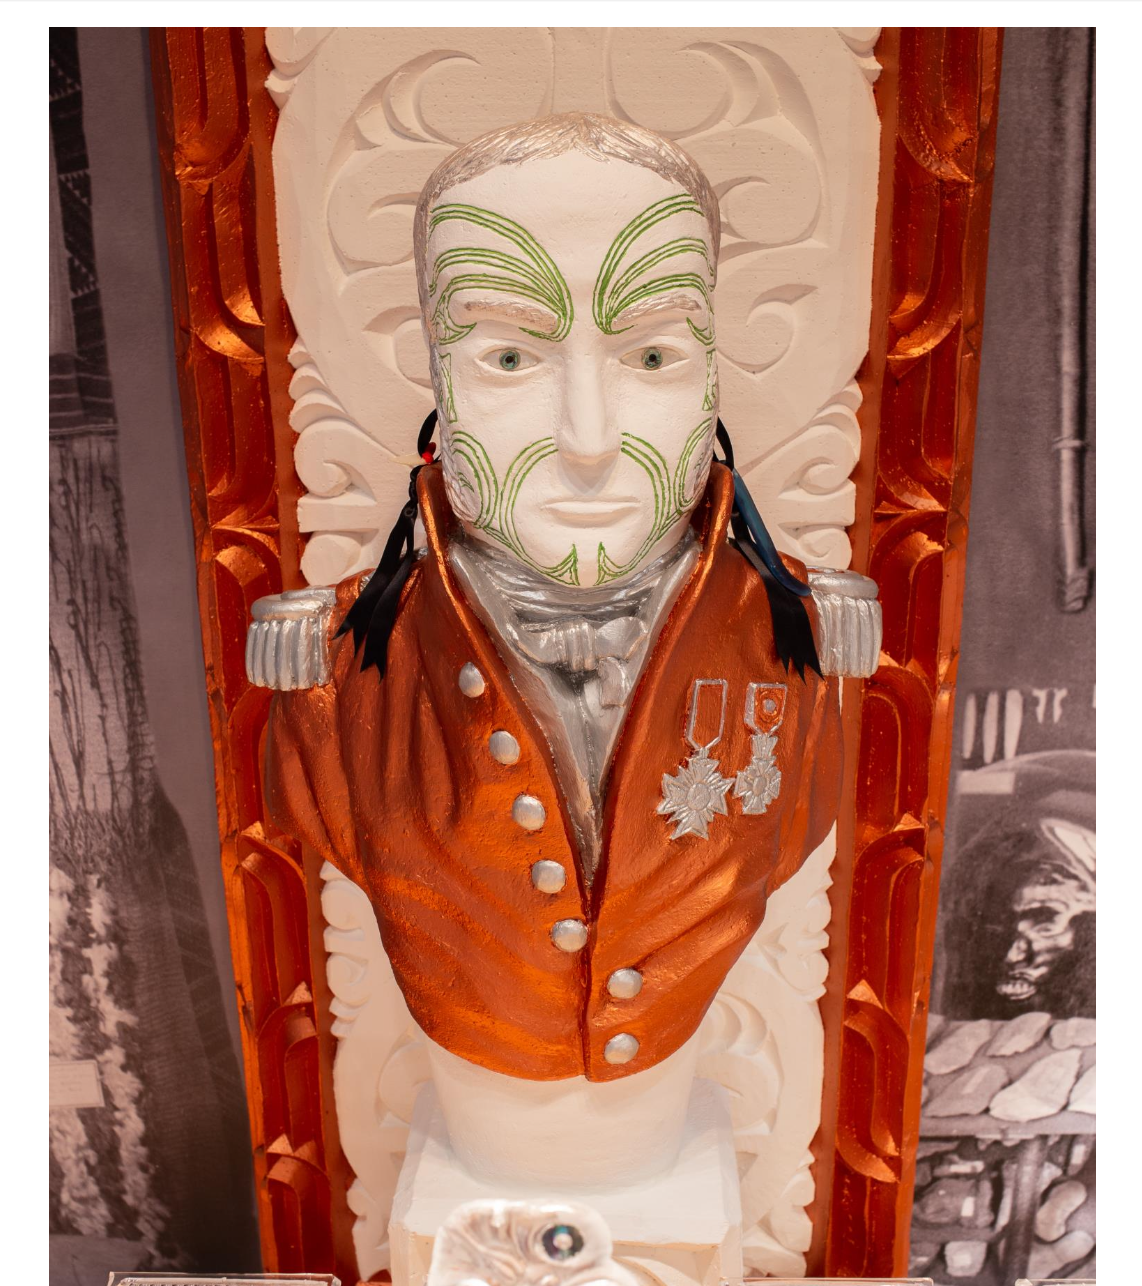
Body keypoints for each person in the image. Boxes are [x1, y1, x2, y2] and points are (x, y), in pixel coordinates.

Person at [246, 113, 878, 1087]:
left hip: (677, 1106)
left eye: (653, 355)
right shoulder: (331, 681)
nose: (588, 440)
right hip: (467, 1104)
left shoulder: (804, 652)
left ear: (711, 366)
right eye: (506, 357)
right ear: (437, 383)